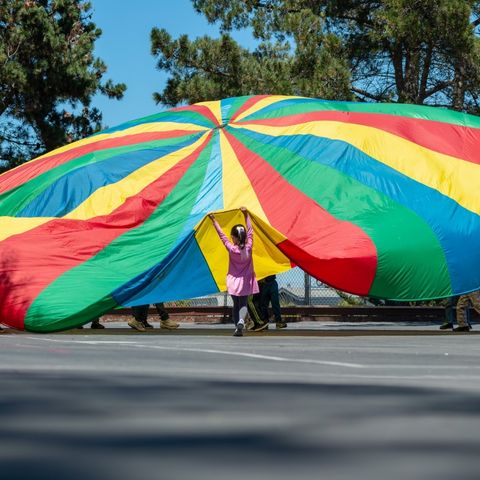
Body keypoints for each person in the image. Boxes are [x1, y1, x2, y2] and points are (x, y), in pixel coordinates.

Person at [209, 207, 258, 337]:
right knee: (243, 303)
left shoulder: (231, 249)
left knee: (236, 304)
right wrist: (246, 214)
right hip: (246, 280)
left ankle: (238, 327)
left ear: (235, 238)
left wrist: (214, 221)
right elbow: (251, 231)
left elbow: (222, 236)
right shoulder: (249, 247)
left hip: (234, 280)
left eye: (232, 237)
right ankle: (242, 320)